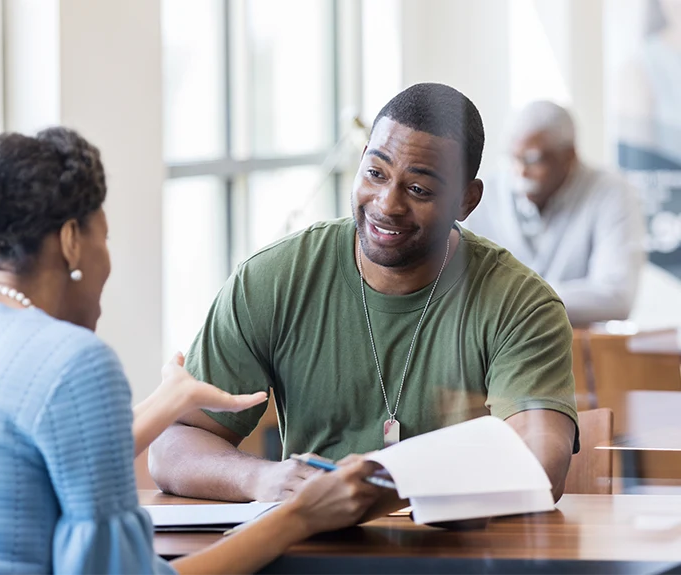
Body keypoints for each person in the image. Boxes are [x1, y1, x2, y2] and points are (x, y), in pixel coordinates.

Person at [0, 128, 384, 575]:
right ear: (72, 241)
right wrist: (299, 516)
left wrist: (165, 402)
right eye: (105, 237)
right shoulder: (73, 359)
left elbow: (20, 458)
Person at [150, 83, 579, 507]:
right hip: (306, 547)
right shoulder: (275, 278)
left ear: (467, 200)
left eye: (419, 190)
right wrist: (261, 478)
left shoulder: (520, 303)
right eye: (375, 173)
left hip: (459, 551)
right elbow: (172, 445)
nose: (387, 204)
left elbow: (539, 465)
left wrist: (382, 482)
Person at [463, 101, 645, 327]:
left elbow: (617, 296)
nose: (520, 171)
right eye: (513, 158)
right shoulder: (483, 195)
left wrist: (511, 297)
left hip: (576, 353)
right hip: (492, 350)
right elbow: (461, 287)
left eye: (533, 159)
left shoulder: (612, 192)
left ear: (569, 156)